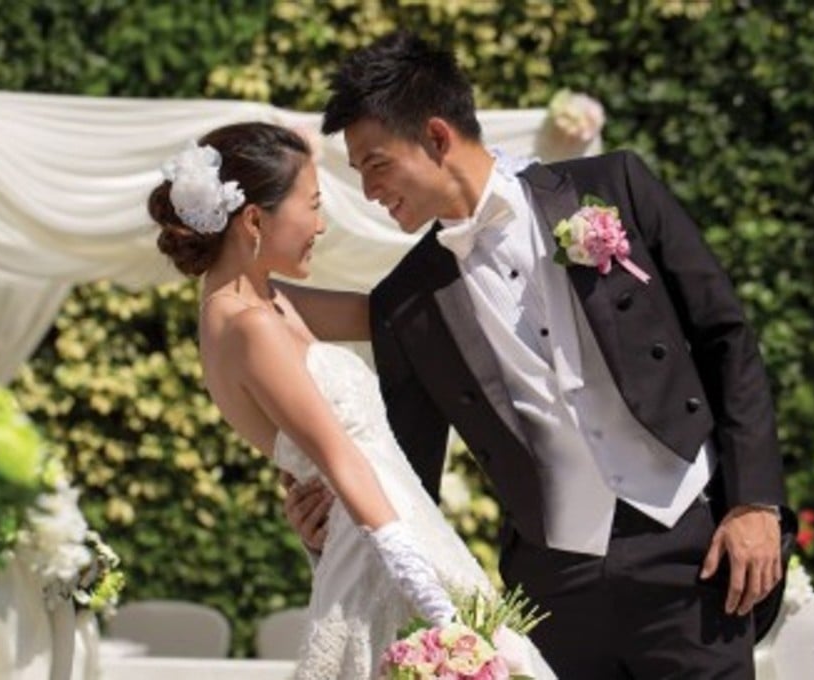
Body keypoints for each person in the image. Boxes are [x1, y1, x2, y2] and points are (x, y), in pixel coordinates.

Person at [283, 31, 794, 678]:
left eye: (376, 164)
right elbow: (406, 474)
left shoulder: (616, 186)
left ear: (437, 137)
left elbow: (727, 339)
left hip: (692, 553)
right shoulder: (405, 301)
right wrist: (334, 535)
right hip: (554, 586)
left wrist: (755, 504)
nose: (370, 189)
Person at [148, 122, 554, 679]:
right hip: (391, 555)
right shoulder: (249, 327)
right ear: (253, 220)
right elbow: (342, 460)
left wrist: (482, 238)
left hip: (384, 537)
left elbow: (391, 317)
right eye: (313, 205)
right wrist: (437, 608)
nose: (321, 224)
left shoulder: (264, 305)